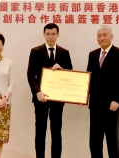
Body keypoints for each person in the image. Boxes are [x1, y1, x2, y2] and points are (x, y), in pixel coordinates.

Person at [27, 23, 73, 158]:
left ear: (58, 35)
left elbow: (71, 74)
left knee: (56, 132)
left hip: (57, 99)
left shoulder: (64, 53)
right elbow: (30, 74)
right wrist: (37, 92)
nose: (51, 37)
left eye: (53, 34)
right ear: (44, 34)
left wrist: (63, 70)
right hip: (41, 98)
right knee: (40, 132)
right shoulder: (35, 51)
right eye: (48, 34)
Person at [86, 25, 119, 158]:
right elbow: (89, 77)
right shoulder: (92, 54)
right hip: (95, 104)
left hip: (112, 105)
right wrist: (83, 96)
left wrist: (117, 99)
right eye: (99, 36)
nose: (102, 38)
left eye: (105, 35)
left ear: (111, 36)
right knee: (94, 141)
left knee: (112, 140)